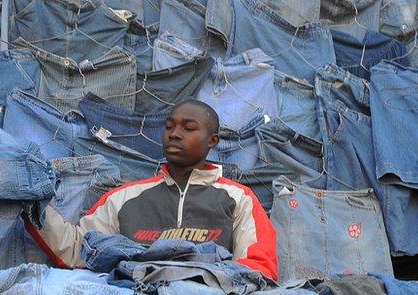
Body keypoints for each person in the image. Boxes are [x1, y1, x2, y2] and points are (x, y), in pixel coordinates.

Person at [25, 99, 278, 279]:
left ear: (212, 141)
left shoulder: (239, 198)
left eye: (188, 129)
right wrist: (31, 204)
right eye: (169, 127)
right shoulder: (125, 197)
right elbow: (79, 249)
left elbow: (257, 268)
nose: (175, 134)